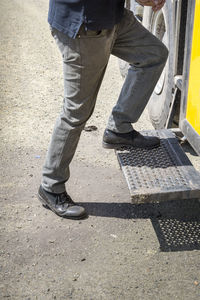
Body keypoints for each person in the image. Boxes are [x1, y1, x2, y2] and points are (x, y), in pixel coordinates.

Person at [38, 0, 168, 219]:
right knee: (76, 111)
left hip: (112, 16)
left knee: (153, 54)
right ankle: (51, 186)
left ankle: (119, 129)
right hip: (84, 26)